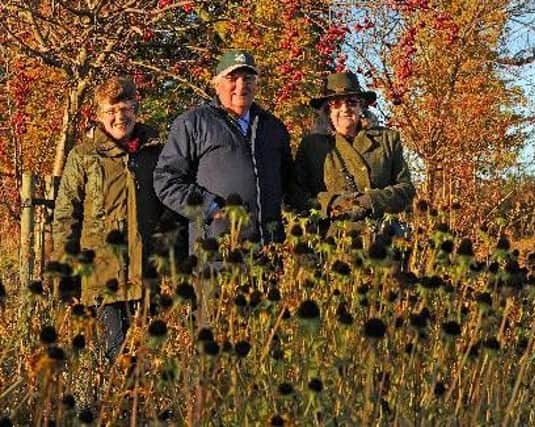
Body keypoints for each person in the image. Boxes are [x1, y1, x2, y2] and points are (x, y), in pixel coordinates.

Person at [53, 76, 164, 360]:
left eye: (125, 109)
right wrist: (66, 276)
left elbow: (169, 211)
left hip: (149, 277)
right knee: (114, 359)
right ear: (99, 115)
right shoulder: (84, 157)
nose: (119, 117)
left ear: (135, 109)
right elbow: (66, 217)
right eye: (111, 111)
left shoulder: (155, 153)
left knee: (148, 363)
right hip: (102, 279)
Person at [153, 50, 293, 251]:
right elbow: (166, 181)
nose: (241, 85)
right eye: (232, 78)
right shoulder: (193, 124)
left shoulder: (273, 127)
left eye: (248, 78)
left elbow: (288, 183)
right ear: (216, 84)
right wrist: (210, 207)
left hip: (268, 254)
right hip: (217, 253)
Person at [292, 71, 415, 231]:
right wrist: (333, 203)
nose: (345, 109)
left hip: (382, 240)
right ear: (327, 111)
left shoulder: (387, 139)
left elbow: (406, 189)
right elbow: (296, 195)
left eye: (351, 102)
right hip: (333, 240)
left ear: (361, 106)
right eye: (335, 103)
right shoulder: (312, 146)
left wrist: (371, 200)